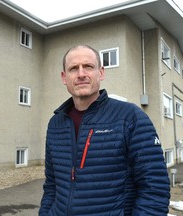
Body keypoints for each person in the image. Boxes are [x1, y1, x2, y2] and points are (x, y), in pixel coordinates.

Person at [39, 45, 170, 216]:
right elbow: (52, 184)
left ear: (101, 72)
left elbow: (155, 186)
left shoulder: (130, 117)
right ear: (64, 77)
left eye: (88, 66)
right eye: (73, 68)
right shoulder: (56, 123)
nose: (81, 74)